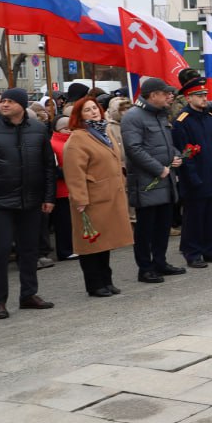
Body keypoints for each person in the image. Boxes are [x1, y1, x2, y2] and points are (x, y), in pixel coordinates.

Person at [0, 88, 57, 318]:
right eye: (2, 101)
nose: (4, 104)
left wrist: (48, 197)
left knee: (29, 251)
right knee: (0, 252)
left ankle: (29, 295)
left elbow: (49, 167)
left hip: (31, 202)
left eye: (10, 101)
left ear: (21, 105)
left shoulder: (39, 130)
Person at [63, 97, 133, 297]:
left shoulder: (105, 131)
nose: (93, 112)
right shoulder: (78, 138)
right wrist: (80, 199)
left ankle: (107, 280)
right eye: (87, 110)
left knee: (106, 242)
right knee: (91, 243)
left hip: (110, 194)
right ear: (79, 115)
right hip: (91, 199)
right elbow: (74, 172)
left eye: (95, 108)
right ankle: (94, 284)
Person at [122, 78, 184, 283]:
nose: (169, 96)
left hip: (165, 180)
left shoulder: (160, 115)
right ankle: (145, 268)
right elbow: (133, 149)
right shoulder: (134, 117)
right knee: (145, 228)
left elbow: (167, 144)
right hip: (147, 181)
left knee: (162, 225)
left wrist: (175, 156)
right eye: (165, 93)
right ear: (152, 95)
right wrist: (159, 169)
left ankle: (160, 262)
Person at [172, 77, 212, 267]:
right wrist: (193, 178)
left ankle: (210, 249)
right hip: (194, 178)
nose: (204, 98)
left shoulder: (211, 118)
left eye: (205, 95)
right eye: (199, 95)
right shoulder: (182, 121)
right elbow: (184, 153)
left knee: (211, 216)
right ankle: (192, 252)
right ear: (188, 98)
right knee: (194, 217)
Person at [50, 116, 75, 261]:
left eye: (71, 128)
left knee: (74, 222)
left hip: (75, 189)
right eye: (66, 129)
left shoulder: (75, 142)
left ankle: (74, 247)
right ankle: (65, 250)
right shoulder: (52, 144)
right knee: (64, 223)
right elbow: (53, 168)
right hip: (62, 190)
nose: (70, 131)